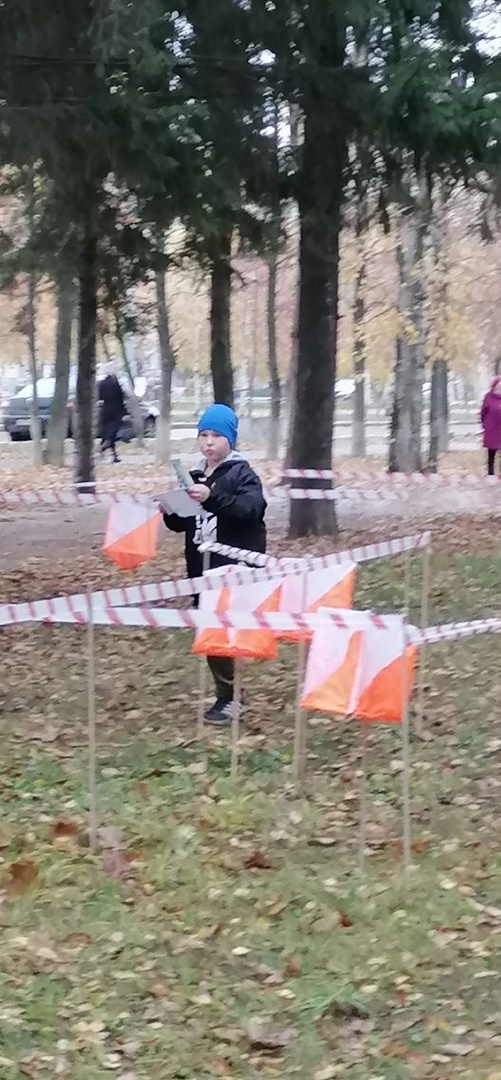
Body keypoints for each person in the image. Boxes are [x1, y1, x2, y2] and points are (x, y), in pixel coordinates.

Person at [163, 403, 267, 726]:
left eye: (216, 436)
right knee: (210, 632)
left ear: (230, 439)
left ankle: (231, 698)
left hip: (231, 567)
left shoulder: (242, 474)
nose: (209, 442)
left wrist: (211, 497)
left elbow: (250, 510)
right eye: (204, 435)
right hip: (200, 568)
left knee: (221, 632)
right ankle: (229, 693)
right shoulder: (194, 474)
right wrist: (171, 509)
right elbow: (183, 523)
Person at [98, 365, 125, 463]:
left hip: (105, 408)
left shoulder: (102, 383)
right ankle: (107, 443)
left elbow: (99, 396)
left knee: (106, 430)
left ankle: (109, 451)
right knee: (113, 429)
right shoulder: (115, 383)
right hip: (116, 409)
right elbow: (121, 396)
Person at [480, 376, 501, 475]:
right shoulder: (488, 397)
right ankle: (490, 473)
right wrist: (484, 424)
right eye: (499, 384)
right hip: (492, 429)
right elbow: (483, 412)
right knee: (491, 452)